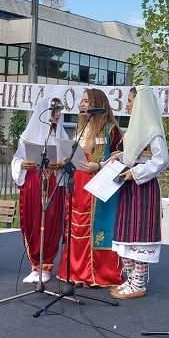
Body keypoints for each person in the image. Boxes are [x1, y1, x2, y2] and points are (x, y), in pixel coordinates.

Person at [56, 88, 124, 287]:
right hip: (77, 184)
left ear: (98, 104)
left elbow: (120, 157)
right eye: (82, 101)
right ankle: (77, 273)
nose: (83, 105)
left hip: (98, 186)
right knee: (75, 226)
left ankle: (95, 274)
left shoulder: (112, 129)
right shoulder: (80, 129)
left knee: (94, 227)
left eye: (87, 101)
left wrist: (100, 165)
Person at [108, 86, 169, 299]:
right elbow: (136, 155)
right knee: (127, 234)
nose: (127, 104)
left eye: (131, 100)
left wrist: (135, 172)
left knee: (140, 235)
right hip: (129, 187)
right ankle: (131, 280)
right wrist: (120, 156)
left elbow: (161, 160)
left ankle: (139, 284)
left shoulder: (152, 130)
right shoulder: (135, 130)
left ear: (140, 103)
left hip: (144, 188)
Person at [11, 97, 67, 284]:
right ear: (44, 112)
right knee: (32, 219)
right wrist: (22, 164)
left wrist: (61, 164)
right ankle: (34, 265)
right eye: (54, 110)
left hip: (52, 183)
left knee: (50, 221)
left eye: (60, 110)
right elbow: (17, 159)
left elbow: (69, 160)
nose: (58, 114)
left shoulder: (62, 137)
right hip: (32, 183)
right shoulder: (27, 136)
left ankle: (46, 265)